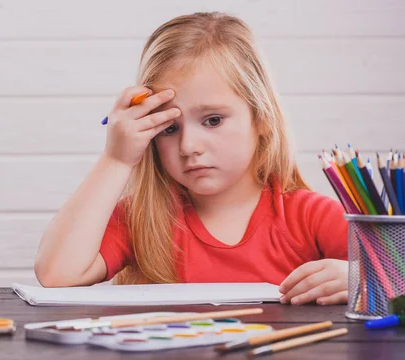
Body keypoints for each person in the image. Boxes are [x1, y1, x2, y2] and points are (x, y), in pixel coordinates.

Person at [34, 12, 348, 306]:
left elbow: (396, 275)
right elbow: (58, 275)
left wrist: (359, 278)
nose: (188, 146)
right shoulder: (144, 218)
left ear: (261, 118)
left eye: (213, 120)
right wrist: (116, 159)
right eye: (169, 128)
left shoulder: (309, 216)